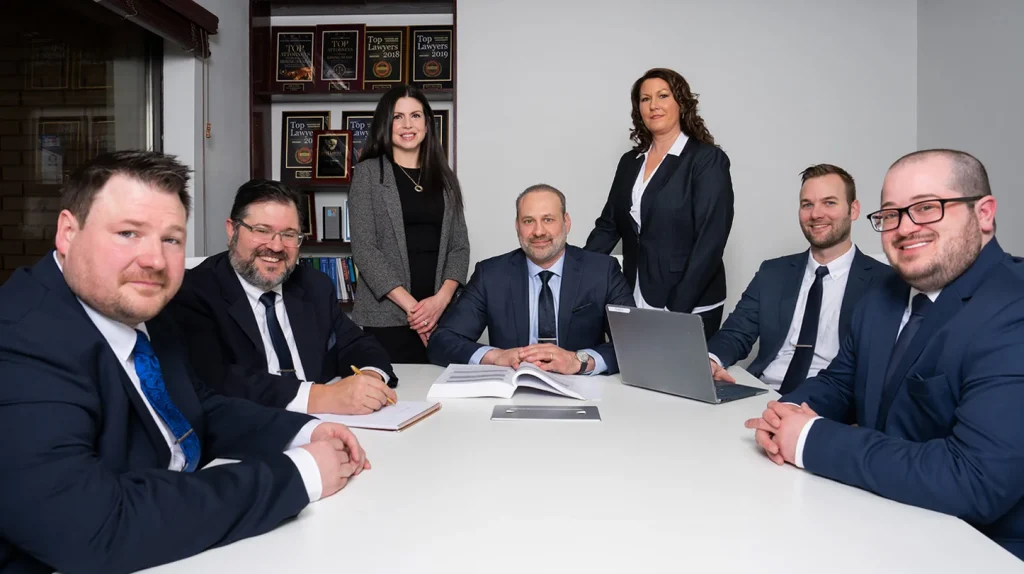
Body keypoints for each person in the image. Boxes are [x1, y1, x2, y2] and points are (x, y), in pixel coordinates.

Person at [0, 151, 370, 573]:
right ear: (68, 232)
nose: (155, 260)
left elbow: (199, 409)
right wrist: (300, 474)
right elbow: (94, 528)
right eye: (128, 233)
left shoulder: (145, 312)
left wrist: (305, 431)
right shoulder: (19, 341)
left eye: (171, 239)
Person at [745, 149, 1024, 559]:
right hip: (878, 514)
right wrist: (782, 414)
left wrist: (808, 438)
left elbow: (976, 479)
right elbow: (841, 382)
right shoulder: (883, 294)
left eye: (927, 208)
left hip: (979, 546)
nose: (905, 228)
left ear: (983, 214)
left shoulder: (1013, 308)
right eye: (891, 214)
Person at [170, 179, 398, 415]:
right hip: (249, 431)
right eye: (262, 230)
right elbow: (215, 378)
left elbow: (356, 344)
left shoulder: (314, 285)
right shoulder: (194, 291)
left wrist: (369, 380)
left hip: (331, 425)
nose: (277, 246)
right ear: (232, 230)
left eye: (289, 234)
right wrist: (324, 397)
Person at [707, 164, 892, 392]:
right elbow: (736, 333)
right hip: (764, 395)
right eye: (807, 204)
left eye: (829, 202)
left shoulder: (885, 282)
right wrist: (711, 360)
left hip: (832, 405)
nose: (816, 214)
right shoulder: (773, 273)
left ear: (853, 210)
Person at [585, 67, 734, 341]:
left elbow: (710, 241)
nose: (653, 105)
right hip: (634, 292)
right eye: (645, 99)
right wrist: (576, 272)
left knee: (677, 381)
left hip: (690, 297)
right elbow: (609, 226)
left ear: (681, 102)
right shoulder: (630, 162)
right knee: (631, 377)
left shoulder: (705, 160)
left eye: (663, 95)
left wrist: (678, 305)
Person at [428, 184, 635, 375]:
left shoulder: (602, 271)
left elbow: (634, 340)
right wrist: (496, 356)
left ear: (566, 222)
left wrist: (579, 361)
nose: (538, 232)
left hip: (584, 391)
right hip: (514, 391)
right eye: (528, 221)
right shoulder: (491, 275)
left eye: (548, 219)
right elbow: (442, 341)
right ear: (517, 226)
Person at [349, 84, 469, 363]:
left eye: (415, 116)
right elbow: (365, 251)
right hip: (387, 318)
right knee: (394, 399)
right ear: (385, 123)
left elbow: (459, 247)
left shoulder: (444, 178)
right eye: (397, 116)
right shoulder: (368, 174)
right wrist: (416, 311)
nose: (407, 124)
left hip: (442, 315)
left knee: (445, 398)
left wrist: (439, 303)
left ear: (427, 124)